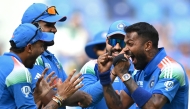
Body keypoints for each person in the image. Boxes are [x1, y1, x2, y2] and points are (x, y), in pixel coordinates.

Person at [97, 22, 189, 109]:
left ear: (148, 46)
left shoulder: (171, 68)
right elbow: (118, 106)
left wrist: (124, 74)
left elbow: (153, 106)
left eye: (130, 44)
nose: (124, 49)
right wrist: (105, 76)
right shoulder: (139, 73)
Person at [21, 3, 92, 108]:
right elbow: (49, 98)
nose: (54, 29)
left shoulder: (51, 58)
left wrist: (71, 96)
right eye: (48, 25)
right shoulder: (29, 57)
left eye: (54, 25)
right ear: (33, 27)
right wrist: (81, 96)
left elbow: (67, 93)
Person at [0, 23, 83, 109]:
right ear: (29, 48)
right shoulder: (18, 71)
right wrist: (60, 97)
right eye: (41, 46)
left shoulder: (2, 61)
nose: (42, 51)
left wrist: (35, 98)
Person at [80, 20, 134, 109]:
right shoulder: (92, 66)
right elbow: (86, 99)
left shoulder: (139, 68)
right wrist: (112, 74)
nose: (117, 47)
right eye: (113, 41)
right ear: (106, 41)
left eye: (122, 42)